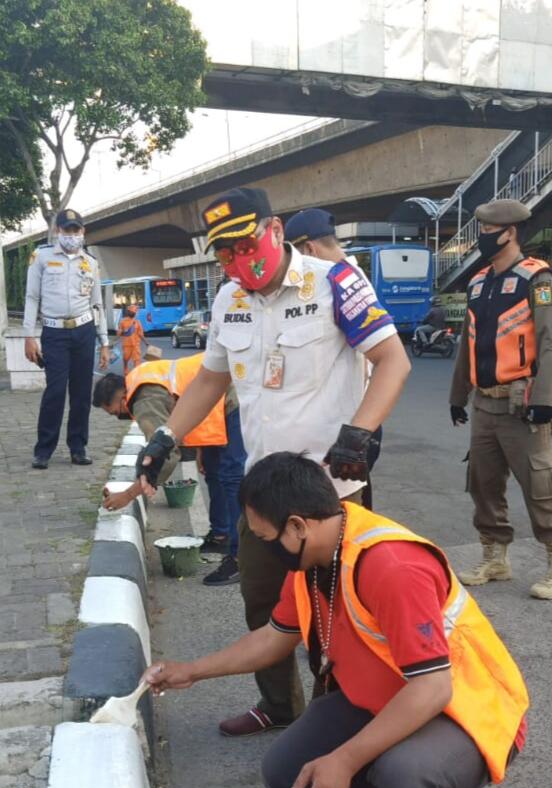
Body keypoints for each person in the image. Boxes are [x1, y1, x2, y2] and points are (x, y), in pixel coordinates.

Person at [136, 187, 411, 737]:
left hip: (330, 492)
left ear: (276, 229)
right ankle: (281, 709)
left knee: (340, 618)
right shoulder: (228, 300)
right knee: (262, 603)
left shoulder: (333, 281)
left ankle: (349, 720)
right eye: (224, 254)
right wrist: (165, 437)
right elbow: (212, 378)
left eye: (245, 245)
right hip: (264, 496)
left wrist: (359, 432)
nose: (238, 263)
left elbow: (392, 359)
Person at [144, 452, 529, 788]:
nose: (262, 549)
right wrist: (191, 671)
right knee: (286, 770)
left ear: (296, 526)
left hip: (464, 708)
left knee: (406, 777)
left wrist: (344, 761)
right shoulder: (315, 558)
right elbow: (273, 638)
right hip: (389, 697)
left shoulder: (391, 566)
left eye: (265, 539)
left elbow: (433, 687)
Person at [449, 198, 552, 600]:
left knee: (541, 484)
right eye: (482, 231)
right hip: (484, 404)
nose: (483, 239)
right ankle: (495, 557)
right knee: (483, 485)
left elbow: (550, 343)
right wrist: (458, 395)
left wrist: (547, 398)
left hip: (522, 405)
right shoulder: (478, 282)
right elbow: (468, 344)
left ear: (510, 233)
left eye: (489, 232)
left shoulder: (536, 280)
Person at [92, 354, 246, 578]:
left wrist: (127, 495)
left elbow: (165, 455)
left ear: (122, 399)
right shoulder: (138, 378)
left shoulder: (144, 400)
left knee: (232, 477)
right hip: (215, 401)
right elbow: (181, 396)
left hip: (228, 400)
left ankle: (240, 558)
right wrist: (202, 447)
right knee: (214, 473)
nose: (119, 417)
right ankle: (222, 536)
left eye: (115, 412)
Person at [285, 207, 384, 509]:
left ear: (308, 249)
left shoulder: (343, 281)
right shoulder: (347, 276)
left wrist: (356, 434)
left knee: (340, 512)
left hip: (349, 425)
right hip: (354, 423)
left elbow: (389, 359)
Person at [23, 209, 110, 469]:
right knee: (55, 392)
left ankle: (78, 447)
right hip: (54, 332)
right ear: (57, 231)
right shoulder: (42, 257)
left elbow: (97, 305)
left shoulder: (90, 263)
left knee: (82, 393)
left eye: (76, 230)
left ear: (82, 232)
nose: (72, 235)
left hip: (84, 331)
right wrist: (29, 335)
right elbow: (32, 298)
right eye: (67, 230)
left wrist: (104, 342)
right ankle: (44, 450)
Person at [116, 304, 148, 371]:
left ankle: (136, 373)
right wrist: (121, 332)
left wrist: (146, 342)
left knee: (137, 360)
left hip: (136, 345)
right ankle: (125, 368)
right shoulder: (123, 321)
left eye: (134, 312)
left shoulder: (137, 322)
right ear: (128, 312)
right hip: (127, 345)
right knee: (125, 358)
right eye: (131, 311)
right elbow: (118, 333)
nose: (132, 313)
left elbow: (140, 334)